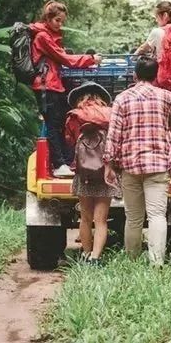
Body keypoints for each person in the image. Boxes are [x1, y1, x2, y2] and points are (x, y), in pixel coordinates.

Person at [103, 57, 171, 266]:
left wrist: (108, 163)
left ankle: (132, 261)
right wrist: (170, 129)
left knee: (133, 217)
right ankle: (157, 262)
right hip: (159, 164)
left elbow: (114, 134)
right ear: (156, 75)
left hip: (130, 165)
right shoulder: (166, 96)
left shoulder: (122, 98)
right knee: (157, 215)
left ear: (135, 75)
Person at [30, 0, 102, 178]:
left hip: (54, 85)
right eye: (57, 20)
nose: (60, 24)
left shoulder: (49, 35)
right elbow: (64, 58)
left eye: (62, 21)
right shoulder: (42, 37)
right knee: (53, 125)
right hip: (47, 86)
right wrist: (90, 59)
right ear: (48, 18)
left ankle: (66, 161)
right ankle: (59, 164)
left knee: (61, 122)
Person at [65, 81, 119, 265]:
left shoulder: (74, 116)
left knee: (85, 218)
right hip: (105, 172)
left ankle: (86, 255)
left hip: (83, 174)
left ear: (80, 98)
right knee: (101, 220)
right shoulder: (110, 114)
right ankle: (96, 257)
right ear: (100, 98)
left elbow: (71, 143)